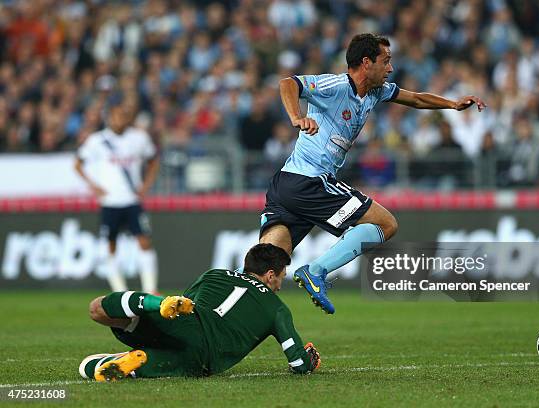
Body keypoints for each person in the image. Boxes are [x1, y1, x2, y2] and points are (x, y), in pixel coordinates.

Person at [259, 33, 486, 314]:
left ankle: (215, 312)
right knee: (386, 224)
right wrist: (296, 117)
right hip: (311, 182)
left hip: (286, 184)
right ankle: (316, 271)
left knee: (266, 267)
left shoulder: (376, 92)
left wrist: (451, 104)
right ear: (366, 62)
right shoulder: (337, 85)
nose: (390, 68)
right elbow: (288, 84)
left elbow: (415, 99)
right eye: (386, 61)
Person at [78, 244, 321, 381]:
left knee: (98, 309)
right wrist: (310, 358)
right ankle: (133, 362)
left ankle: (154, 304)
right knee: (104, 366)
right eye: (281, 277)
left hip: (185, 323)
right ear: (270, 275)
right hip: (202, 358)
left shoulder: (215, 274)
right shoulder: (277, 308)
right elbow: (298, 362)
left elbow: (185, 303)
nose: (280, 284)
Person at [74, 101, 160, 293]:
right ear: (109, 118)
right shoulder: (97, 140)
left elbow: (154, 160)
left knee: (144, 241)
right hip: (110, 202)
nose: (119, 119)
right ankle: (119, 289)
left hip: (132, 201)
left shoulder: (139, 138)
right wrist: (94, 187)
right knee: (110, 245)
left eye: (122, 115)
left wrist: (146, 185)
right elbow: (78, 164)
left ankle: (151, 288)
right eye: (115, 115)